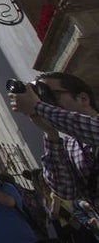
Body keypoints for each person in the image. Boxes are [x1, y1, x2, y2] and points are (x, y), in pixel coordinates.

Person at [11, 72, 99, 234]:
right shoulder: (69, 146)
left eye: (50, 95)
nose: (46, 102)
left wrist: (38, 106)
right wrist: (49, 133)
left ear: (83, 99)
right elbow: (66, 190)